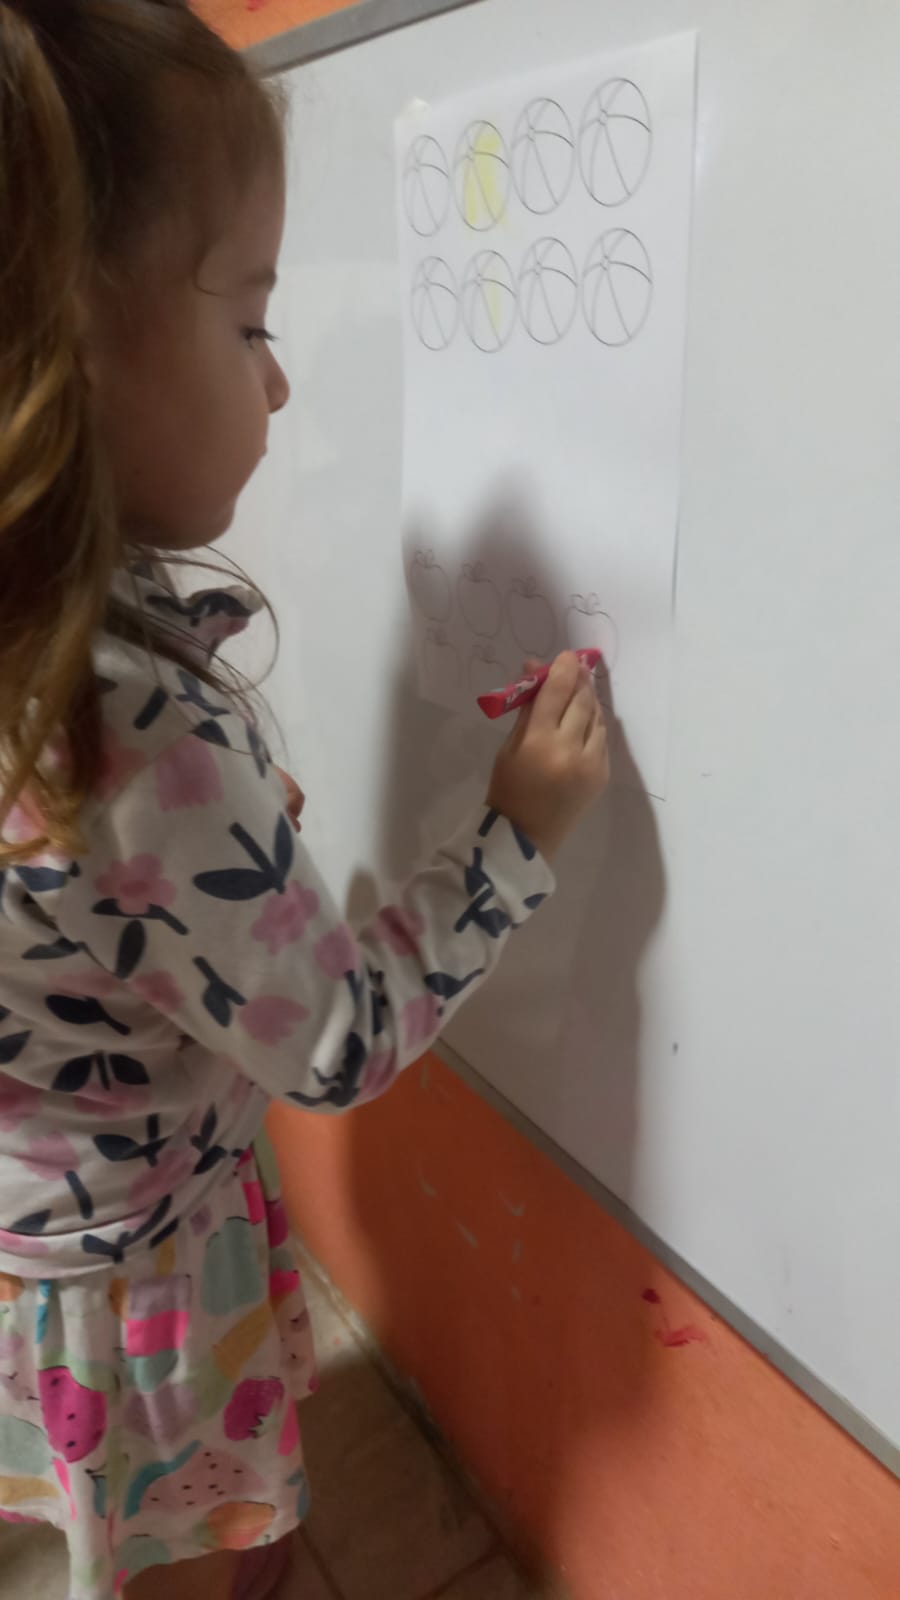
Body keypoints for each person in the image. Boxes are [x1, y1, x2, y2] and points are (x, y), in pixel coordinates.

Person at [0, 3, 609, 1597]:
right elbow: (333, 1041)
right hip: (139, 1275)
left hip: (26, 1227)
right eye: (250, 323)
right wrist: (514, 840)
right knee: (208, 1540)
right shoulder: (120, 730)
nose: (278, 388)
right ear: (60, 358)